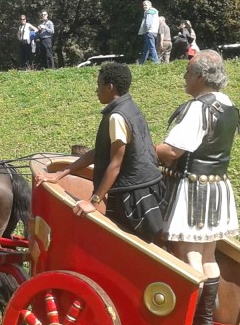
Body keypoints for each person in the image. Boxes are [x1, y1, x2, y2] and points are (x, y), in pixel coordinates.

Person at [156, 50, 240, 325]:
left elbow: (172, 151)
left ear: (201, 77)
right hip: (216, 188)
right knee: (208, 256)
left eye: (188, 72)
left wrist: (142, 149)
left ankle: (188, 324)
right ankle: (204, 321)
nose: (185, 77)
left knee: (187, 254)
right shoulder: (227, 104)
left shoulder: (199, 108)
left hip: (193, 191)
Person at [35, 62, 165, 242]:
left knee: (146, 246)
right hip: (148, 185)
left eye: (99, 84)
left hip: (135, 194)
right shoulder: (129, 107)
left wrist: (93, 201)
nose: (96, 90)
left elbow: (115, 164)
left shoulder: (117, 117)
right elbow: (100, 152)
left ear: (110, 87)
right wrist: (60, 174)